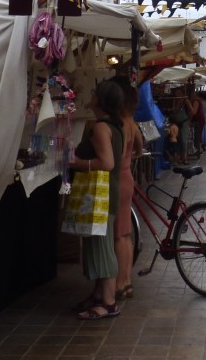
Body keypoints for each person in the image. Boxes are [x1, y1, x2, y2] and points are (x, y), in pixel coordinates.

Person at [69, 79, 125, 320]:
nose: (90, 95)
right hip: (105, 193)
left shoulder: (102, 128)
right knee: (97, 244)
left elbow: (107, 163)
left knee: (102, 247)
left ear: (101, 100)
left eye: (94, 92)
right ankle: (100, 295)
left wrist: (77, 163)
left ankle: (109, 302)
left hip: (101, 194)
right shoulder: (114, 125)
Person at [110, 76, 144, 302]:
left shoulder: (119, 123)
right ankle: (128, 281)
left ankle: (121, 282)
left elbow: (116, 156)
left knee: (119, 235)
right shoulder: (131, 121)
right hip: (127, 177)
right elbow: (139, 150)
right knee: (126, 234)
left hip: (118, 179)